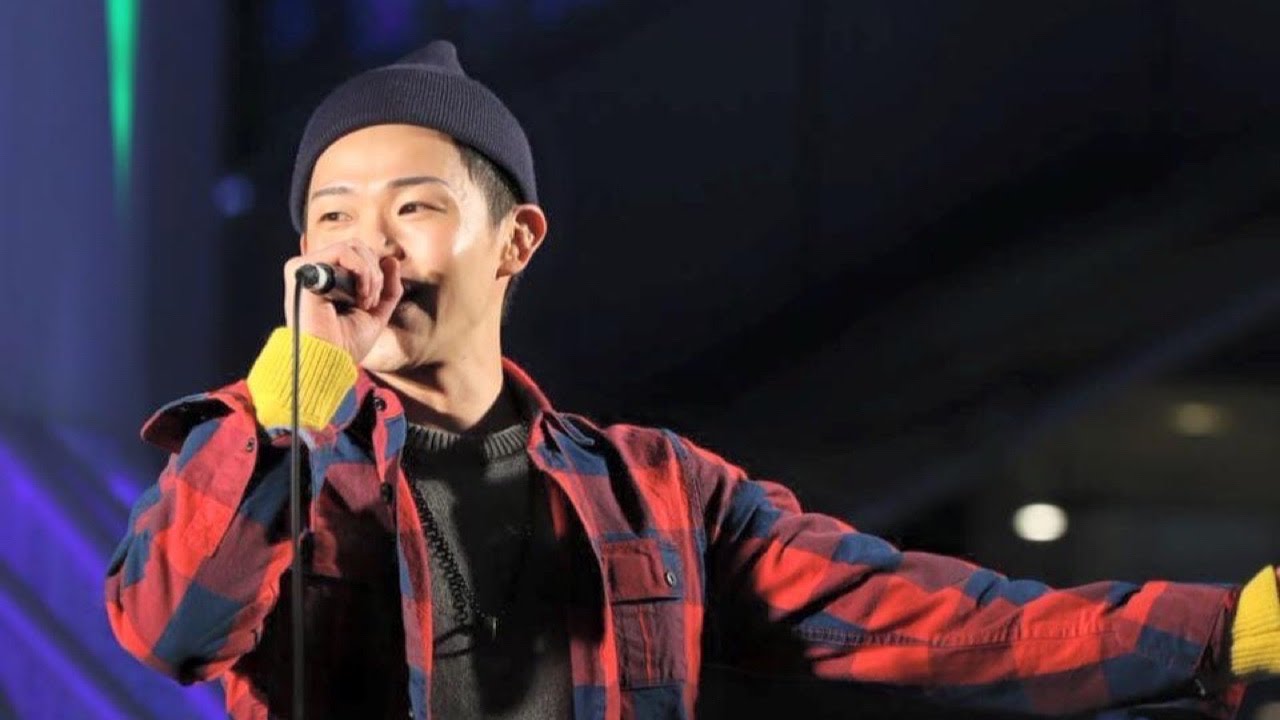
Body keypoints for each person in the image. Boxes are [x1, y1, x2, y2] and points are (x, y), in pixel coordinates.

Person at [105, 40, 1279, 720]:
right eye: (332, 214)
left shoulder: (655, 491)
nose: (367, 246)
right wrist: (292, 403)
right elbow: (170, 629)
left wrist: (1227, 632)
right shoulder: (267, 450)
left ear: (513, 242)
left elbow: (936, 623)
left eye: (413, 208)